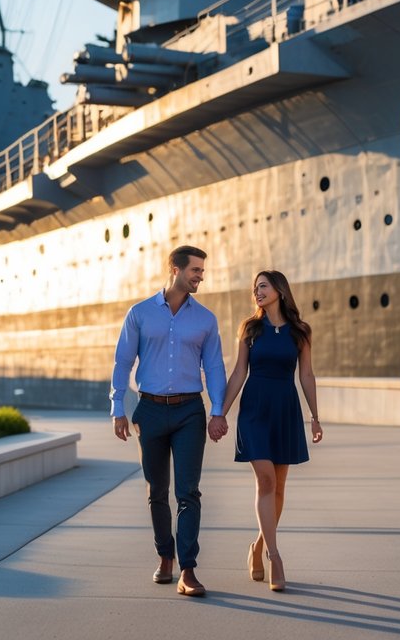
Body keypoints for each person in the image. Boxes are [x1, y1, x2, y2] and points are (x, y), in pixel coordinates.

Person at [111, 245, 229, 597]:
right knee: (156, 491)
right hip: (148, 409)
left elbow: (215, 367)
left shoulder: (205, 319)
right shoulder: (140, 313)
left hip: (189, 411)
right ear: (174, 269)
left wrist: (217, 410)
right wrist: (118, 407)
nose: (200, 276)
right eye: (195, 270)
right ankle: (165, 556)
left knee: (188, 492)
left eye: (202, 271)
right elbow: (122, 362)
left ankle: (188, 569)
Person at [219, 270, 322, 592]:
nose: (257, 292)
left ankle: (258, 545)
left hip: (285, 410)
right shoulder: (250, 329)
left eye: (262, 286)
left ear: (279, 290)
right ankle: (274, 556)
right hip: (254, 410)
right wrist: (219, 413)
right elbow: (238, 372)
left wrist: (315, 417)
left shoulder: (300, 332)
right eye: (255, 288)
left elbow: (306, 375)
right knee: (265, 480)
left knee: (278, 488)